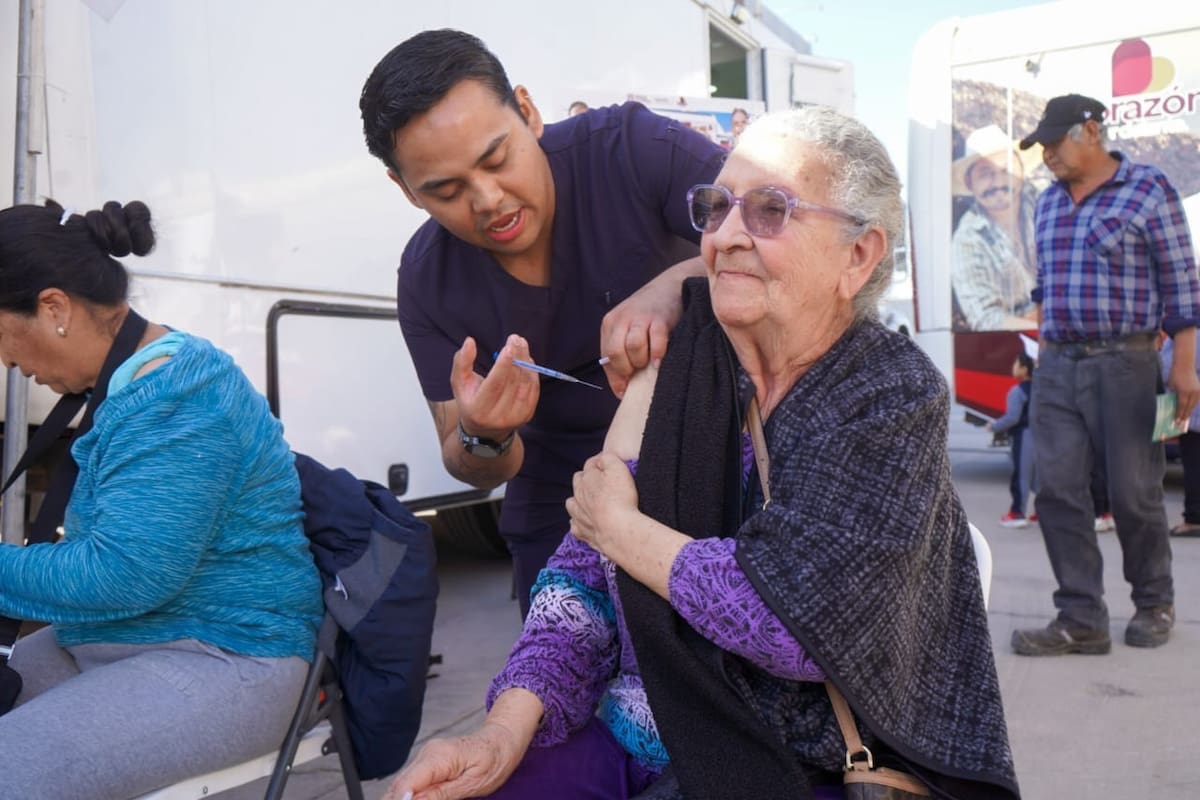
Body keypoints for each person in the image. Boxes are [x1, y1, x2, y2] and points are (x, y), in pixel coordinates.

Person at [384, 107, 1019, 800]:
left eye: (771, 209)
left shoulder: (887, 393)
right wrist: (501, 734)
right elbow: (581, 583)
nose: (726, 235)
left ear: (858, 255)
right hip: (643, 727)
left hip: (800, 756)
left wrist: (622, 529)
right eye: (718, 207)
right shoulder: (680, 364)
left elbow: (798, 623)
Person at [359, 29, 726, 616]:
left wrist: (676, 287)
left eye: (496, 158)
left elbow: (782, 235)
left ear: (528, 112)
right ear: (405, 190)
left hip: (712, 458)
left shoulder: (631, 148)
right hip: (562, 499)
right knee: (557, 660)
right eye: (446, 190)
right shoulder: (428, 280)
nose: (488, 200)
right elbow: (472, 464)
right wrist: (486, 433)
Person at [0, 200, 324, 797]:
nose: (8, 362)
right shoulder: (134, 380)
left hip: (227, 655)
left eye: (2, 337)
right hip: (119, 635)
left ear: (54, 309)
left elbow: (123, 576)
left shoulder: (181, 397)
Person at [1011, 94, 1200, 656]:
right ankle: (1081, 617)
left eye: (1054, 143)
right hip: (1058, 364)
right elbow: (1044, 287)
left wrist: (1184, 367)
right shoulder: (1048, 201)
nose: (1047, 155)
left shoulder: (1148, 188)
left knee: (1134, 493)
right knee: (1057, 492)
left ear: (1091, 131)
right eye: (1041, 147)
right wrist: (1042, 355)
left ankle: (1154, 603)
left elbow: (1182, 284)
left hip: (1127, 362)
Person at [950, 125, 1039, 331]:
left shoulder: (1044, 204)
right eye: (985, 174)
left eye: (1006, 170)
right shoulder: (968, 240)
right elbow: (985, 319)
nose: (998, 182)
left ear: (1022, 172)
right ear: (970, 184)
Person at [988, 352, 1034, 527]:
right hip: (1042, 436)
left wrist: (994, 426)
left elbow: (1012, 417)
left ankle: (1017, 514)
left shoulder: (1017, 391)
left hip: (1023, 436)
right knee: (1039, 478)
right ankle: (1043, 512)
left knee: (1021, 476)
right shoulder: (1041, 388)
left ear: (1024, 369)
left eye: (1016, 363)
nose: (1013, 367)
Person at [1160, 334, 1200, 537]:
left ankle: (1194, 519)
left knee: (1194, 464)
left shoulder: (1191, 333)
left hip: (1190, 411)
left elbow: (1169, 367)